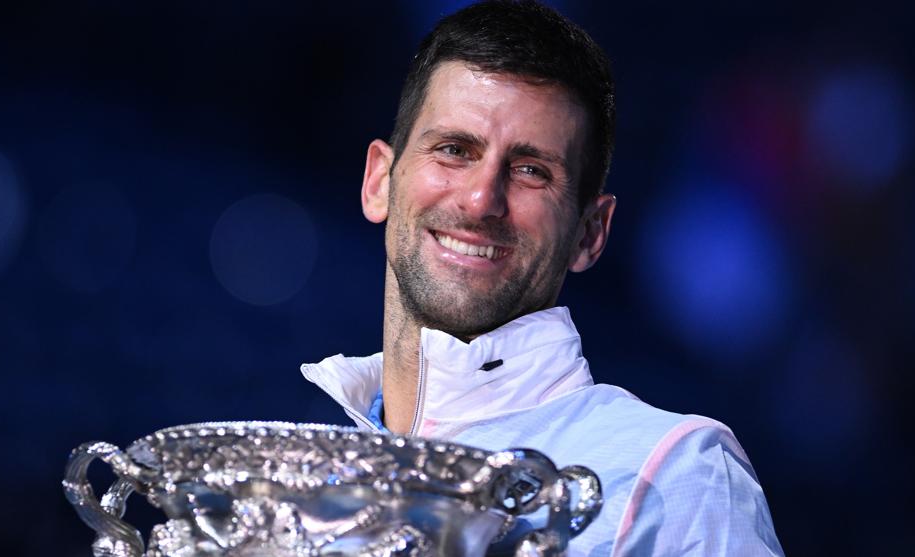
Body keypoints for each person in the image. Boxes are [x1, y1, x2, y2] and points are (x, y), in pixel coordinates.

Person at [301, 1, 783, 554]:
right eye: (454, 150)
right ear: (378, 181)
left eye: (531, 171)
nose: (482, 199)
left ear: (590, 233)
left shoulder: (671, 476)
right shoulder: (306, 489)